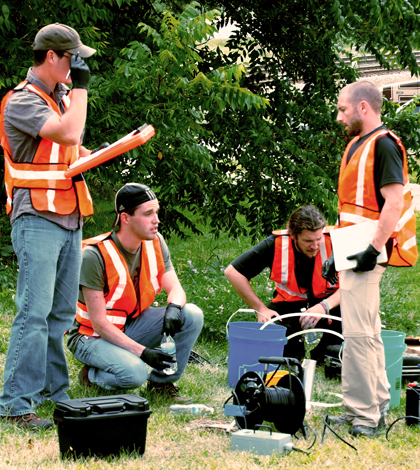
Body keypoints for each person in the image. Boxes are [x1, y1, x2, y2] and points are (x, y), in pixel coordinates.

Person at [0, 23, 97, 429]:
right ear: (53, 57)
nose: (77, 66)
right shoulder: (22, 101)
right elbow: (69, 132)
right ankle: (15, 403)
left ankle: (55, 395)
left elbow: (72, 147)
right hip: (37, 216)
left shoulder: (57, 97)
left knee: (59, 315)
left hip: (68, 215)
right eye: (73, 58)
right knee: (33, 314)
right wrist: (83, 89)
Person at [324, 81, 417, 438]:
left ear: (364, 107)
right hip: (353, 246)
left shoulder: (383, 145)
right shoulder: (357, 145)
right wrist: (337, 252)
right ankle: (373, 406)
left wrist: (372, 249)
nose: (339, 116)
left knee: (359, 335)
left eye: (343, 109)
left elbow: (393, 203)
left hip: (367, 250)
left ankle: (363, 418)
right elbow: (352, 211)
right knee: (369, 333)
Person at [67, 183, 203, 402]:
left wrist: (174, 308)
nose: (156, 220)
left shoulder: (156, 242)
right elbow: (99, 323)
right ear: (125, 218)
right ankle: (92, 375)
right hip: (90, 336)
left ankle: (162, 384)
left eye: (156, 212)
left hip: (129, 325)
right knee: (135, 373)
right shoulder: (94, 256)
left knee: (192, 314)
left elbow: (176, 288)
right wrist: (143, 352)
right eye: (148, 213)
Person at [224, 205, 342, 361]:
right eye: (307, 241)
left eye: (318, 239)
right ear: (293, 236)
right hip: (288, 307)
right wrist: (261, 309)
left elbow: (356, 283)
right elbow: (232, 272)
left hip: (329, 305)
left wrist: (324, 306)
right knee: (283, 355)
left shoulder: (337, 240)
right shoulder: (275, 244)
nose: (315, 246)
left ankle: (325, 353)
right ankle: (295, 349)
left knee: (352, 314)